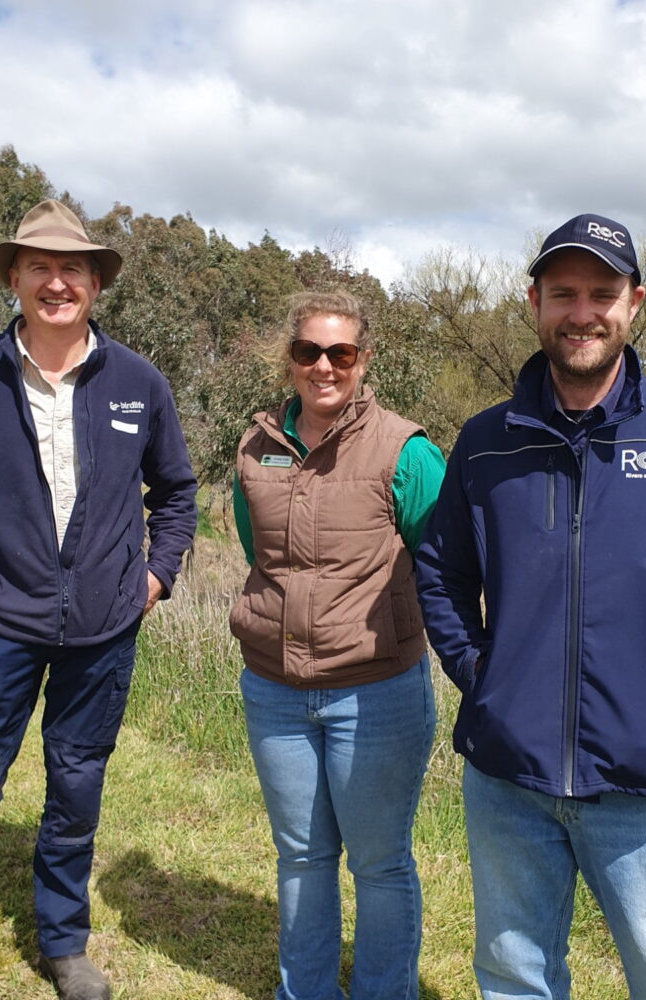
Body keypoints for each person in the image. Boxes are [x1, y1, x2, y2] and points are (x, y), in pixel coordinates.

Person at [415, 213, 646, 1000]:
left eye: (601, 293)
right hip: (507, 779)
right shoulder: (487, 440)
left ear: (634, 303)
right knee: (514, 978)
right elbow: (442, 572)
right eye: (563, 294)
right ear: (534, 304)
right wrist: (480, 677)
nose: (581, 312)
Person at [0, 200, 198, 1000]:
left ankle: (63, 943)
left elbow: (177, 494)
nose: (56, 282)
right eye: (39, 268)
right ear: (15, 279)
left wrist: (152, 580)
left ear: (95, 283)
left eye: (72, 269)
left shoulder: (138, 382)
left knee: (76, 789)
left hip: (103, 633)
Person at [230, 290, 445, 1000]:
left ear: (363, 360)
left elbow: (441, 564)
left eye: (340, 353)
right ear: (290, 360)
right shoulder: (257, 448)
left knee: (380, 863)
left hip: (375, 693)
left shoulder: (406, 451)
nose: (324, 366)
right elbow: (257, 551)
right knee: (300, 858)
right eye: (308, 351)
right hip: (274, 692)